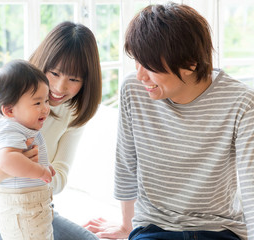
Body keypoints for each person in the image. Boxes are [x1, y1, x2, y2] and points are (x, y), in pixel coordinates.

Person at [84, 2, 254, 240]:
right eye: (137, 60)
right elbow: (126, 162)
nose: (140, 75)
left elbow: (251, 184)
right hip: (153, 228)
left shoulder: (241, 102)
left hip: (219, 230)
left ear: (190, 64)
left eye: (150, 66)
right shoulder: (134, 90)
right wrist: (126, 225)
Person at [0, 21, 102, 240]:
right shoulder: (5, 89)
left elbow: (60, 176)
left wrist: (37, 171)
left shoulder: (75, 110)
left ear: (86, 81)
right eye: (54, 73)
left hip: (33, 208)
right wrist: (1, 168)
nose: (60, 88)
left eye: (74, 79)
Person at [0, 60, 55, 239]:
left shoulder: (23, 128)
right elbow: (7, 160)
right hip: (22, 208)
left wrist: (46, 166)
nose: (46, 108)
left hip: (32, 206)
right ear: (9, 111)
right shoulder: (10, 128)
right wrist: (40, 171)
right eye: (37, 103)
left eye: (46, 100)